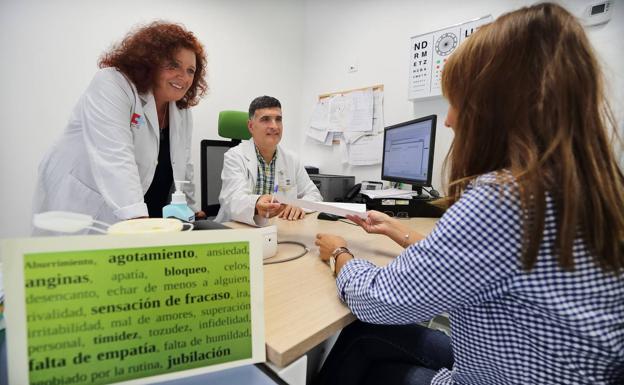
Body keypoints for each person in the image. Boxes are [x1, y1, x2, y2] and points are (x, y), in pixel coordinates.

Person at [314, 3, 624, 385]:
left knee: (366, 340)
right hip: (534, 364)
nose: (449, 120)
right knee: (364, 337)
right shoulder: (591, 187)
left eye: (458, 101)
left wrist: (339, 253)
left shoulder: (505, 200)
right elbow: (482, 262)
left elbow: (379, 300)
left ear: (496, 107)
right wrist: (401, 232)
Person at [33, 21, 208, 234]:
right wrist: (138, 220)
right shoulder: (112, 83)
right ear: (150, 62)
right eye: (173, 65)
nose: (184, 77)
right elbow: (115, 157)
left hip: (144, 212)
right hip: (84, 201)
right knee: (70, 263)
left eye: (191, 70)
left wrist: (190, 210)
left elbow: (184, 167)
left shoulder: (181, 111)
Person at [215, 96, 322, 226]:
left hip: (280, 229)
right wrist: (257, 203)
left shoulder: (291, 159)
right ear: (251, 126)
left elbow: (314, 195)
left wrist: (298, 206)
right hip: (238, 229)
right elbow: (232, 200)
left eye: (278, 119)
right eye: (265, 119)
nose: (274, 126)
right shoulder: (235, 156)